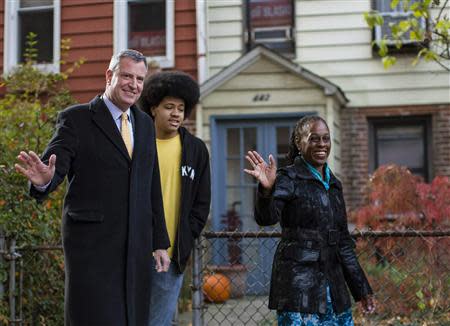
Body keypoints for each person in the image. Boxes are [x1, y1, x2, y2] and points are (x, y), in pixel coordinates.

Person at [14, 49, 170, 326]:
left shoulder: (145, 124)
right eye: (126, 76)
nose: (133, 85)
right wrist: (45, 180)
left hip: (136, 246)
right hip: (93, 249)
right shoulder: (76, 119)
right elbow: (54, 163)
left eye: (139, 79)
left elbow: (151, 184)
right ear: (109, 76)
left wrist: (159, 241)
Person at [244, 115, 375, 325]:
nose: (321, 144)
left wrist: (361, 289)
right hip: (298, 288)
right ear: (299, 142)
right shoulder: (288, 178)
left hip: (335, 289)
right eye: (314, 138)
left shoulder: (334, 184)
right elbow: (266, 218)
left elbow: (342, 241)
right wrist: (266, 190)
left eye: (326, 138)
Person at [138, 71, 211, 326]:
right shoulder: (137, 145)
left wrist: (185, 237)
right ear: (153, 108)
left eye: (181, 108)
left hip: (170, 255)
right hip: (133, 251)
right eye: (169, 107)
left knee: (157, 322)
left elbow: (202, 203)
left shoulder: (196, 150)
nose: (176, 113)